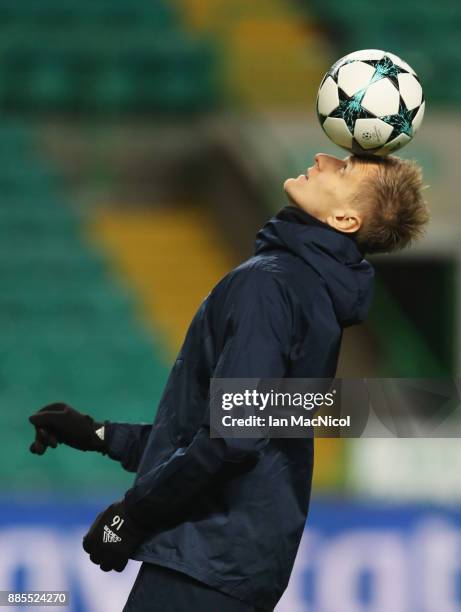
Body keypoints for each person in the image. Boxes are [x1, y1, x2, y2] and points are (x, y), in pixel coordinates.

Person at [29, 153, 429, 611]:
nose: (323, 157)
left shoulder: (271, 285)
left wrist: (133, 514)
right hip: (239, 564)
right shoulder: (313, 295)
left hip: (207, 555)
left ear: (344, 218)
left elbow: (233, 438)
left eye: (343, 168)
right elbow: (235, 429)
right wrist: (100, 435)